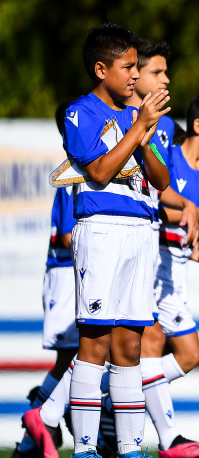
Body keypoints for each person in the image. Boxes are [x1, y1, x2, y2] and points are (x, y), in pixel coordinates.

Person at [25, 22, 170, 458]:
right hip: (102, 229)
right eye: (127, 67)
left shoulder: (137, 114)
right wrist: (137, 126)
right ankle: (85, 447)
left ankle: (129, 447)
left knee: (130, 343)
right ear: (100, 69)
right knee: (96, 340)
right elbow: (101, 171)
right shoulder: (79, 112)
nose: (134, 75)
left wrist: (144, 134)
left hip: (141, 232)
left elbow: (160, 179)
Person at [122, 38, 199, 458]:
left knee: (163, 352)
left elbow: (163, 195)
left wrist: (196, 224)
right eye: (158, 72)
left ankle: (55, 413)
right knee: (132, 347)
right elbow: (159, 199)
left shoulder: (158, 131)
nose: (166, 79)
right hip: (139, 253)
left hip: (161, 259)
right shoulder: (127, 125)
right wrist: (187, 209)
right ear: (135, 74)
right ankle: (166, 436)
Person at [13, 104, 78, 458]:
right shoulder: (73, 172)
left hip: (76, 275)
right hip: (66, 274)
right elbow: (68, 236)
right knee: (73, 354)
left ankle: (40, 424)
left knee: (83, 354)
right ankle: (39, 424)